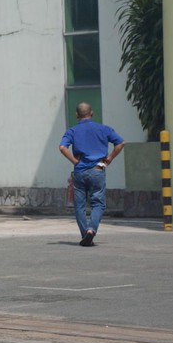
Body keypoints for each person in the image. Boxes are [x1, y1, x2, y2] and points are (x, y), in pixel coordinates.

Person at [58, 102, 125, 247]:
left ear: (77, 115)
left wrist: (75, 161)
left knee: (79, 206)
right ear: (92, 113)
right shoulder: (104, 129)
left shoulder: (72, 131)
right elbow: (120, 143)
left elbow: (62, 147)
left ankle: (85, 234)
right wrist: (110, 158)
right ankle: (91, 230)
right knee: (98, 204)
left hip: (80, 172)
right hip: (97, 170)